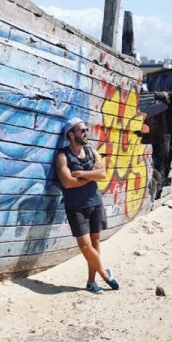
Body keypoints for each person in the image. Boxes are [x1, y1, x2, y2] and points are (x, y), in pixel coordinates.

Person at [55, 117, 120, 294]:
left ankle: (91, 282)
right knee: (84, 246)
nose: (86, 133)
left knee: (95, 241)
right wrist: (91, 177)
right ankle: (105, 274)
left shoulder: (91, 151)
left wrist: (82, 174)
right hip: (75, 206)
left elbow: (103, 173)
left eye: (86, 130)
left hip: (95, 202)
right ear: (71, 134)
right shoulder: (62, 156)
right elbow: (67, 182)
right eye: (82, 130)